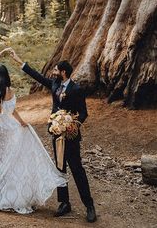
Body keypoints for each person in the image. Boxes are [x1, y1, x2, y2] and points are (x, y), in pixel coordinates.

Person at [10, 50, 97, 223]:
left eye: (56, 70)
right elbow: (38, 76)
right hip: (56, 135)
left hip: (71, 136)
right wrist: (19, 61)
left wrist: (73, 124)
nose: (53, 72)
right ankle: (64, 203)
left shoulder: (77, 89)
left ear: (63, 72)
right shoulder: (55, 85)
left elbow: (83, 112)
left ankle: (89, 206)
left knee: (77, 170)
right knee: (60, 169)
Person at [0, 47, 66, 214]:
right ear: (7, 76)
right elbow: (12, 111)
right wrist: (22, 123)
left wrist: (1, 53)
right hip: (5, 127)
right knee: (5, 159)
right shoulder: (10, 91)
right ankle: (3, 192)